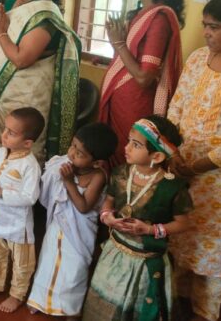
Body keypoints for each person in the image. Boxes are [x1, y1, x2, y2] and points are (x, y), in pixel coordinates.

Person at [167, 0, 221, 321]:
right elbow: (177, 105)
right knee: (179, 233)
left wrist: (203, 164)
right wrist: (170, 150)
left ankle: (204, 310)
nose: (206, 33)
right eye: (205, 25)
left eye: (215, 27)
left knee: (213, 242)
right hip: (180, 165)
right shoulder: (198, 58)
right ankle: (174, 298)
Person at [82, 116, 192, 320]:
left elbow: (183, 223)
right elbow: (108, 201)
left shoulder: (172, 187)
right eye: (129, 141)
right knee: (105, 297)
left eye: (136, 145)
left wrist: (150, 230)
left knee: (136, 302)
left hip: (146, 258)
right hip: (115, 251)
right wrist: (107, 218)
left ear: (157, 156)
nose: (127, 148)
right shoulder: (120, 173)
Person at [0, 0, 80, 162]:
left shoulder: (44, 15)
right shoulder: (17, 3)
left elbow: (22, 59)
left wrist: (0, 33)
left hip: (26, 95)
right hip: (3, 94)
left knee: (21, 150)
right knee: (1, 149)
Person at [99, 0, 184, 164]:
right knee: (115, 154)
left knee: (131, 157)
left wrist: (119, 44)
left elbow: (144, 77)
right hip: (122, 99)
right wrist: (118, 42)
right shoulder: (139, 14)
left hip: (135, 102)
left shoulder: (159, 20)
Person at [27, 122, 118, 318]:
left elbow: (83, 207)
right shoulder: (65, 165)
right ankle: (41, 300)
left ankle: (70, 308)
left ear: (96, 162)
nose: (72, 152)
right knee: (48, 260)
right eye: (73, 145)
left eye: (80, 153)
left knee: (73, 269)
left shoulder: (98, 176)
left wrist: (68, 181)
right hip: (58, 225)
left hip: (80, 232)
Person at [0, 107, 44, 313]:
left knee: (22, 263)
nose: (4, 135)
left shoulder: (30, 165)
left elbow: (30, 197)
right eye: (5, 129)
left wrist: (0, 192)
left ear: (27, 143)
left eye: (11, 133)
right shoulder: (0, 152)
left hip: (17, 224)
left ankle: (17, 295)